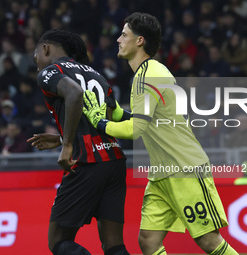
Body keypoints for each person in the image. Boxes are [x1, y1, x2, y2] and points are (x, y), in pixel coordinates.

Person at [83, 12, 238, 255]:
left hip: (185, 168)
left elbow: (135, 130)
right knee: (148, 241)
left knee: (209, 241)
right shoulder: (146, 73)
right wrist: (111, 112)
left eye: (124, 35)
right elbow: (143, 120)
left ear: (140, 41)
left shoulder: (149, 75)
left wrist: (100, 122)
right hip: (162, 173)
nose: (118, 40)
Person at [27, 29, 129, 255]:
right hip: (113, 158)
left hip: (86, 160)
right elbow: (108, 118)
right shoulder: (96, 74)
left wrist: (68, 145)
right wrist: (63, 137)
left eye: (36, 56)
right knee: (113, 243)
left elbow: (74, 94)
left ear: (45, 49)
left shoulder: (50, 72)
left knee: (57, 241)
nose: (36, 64)